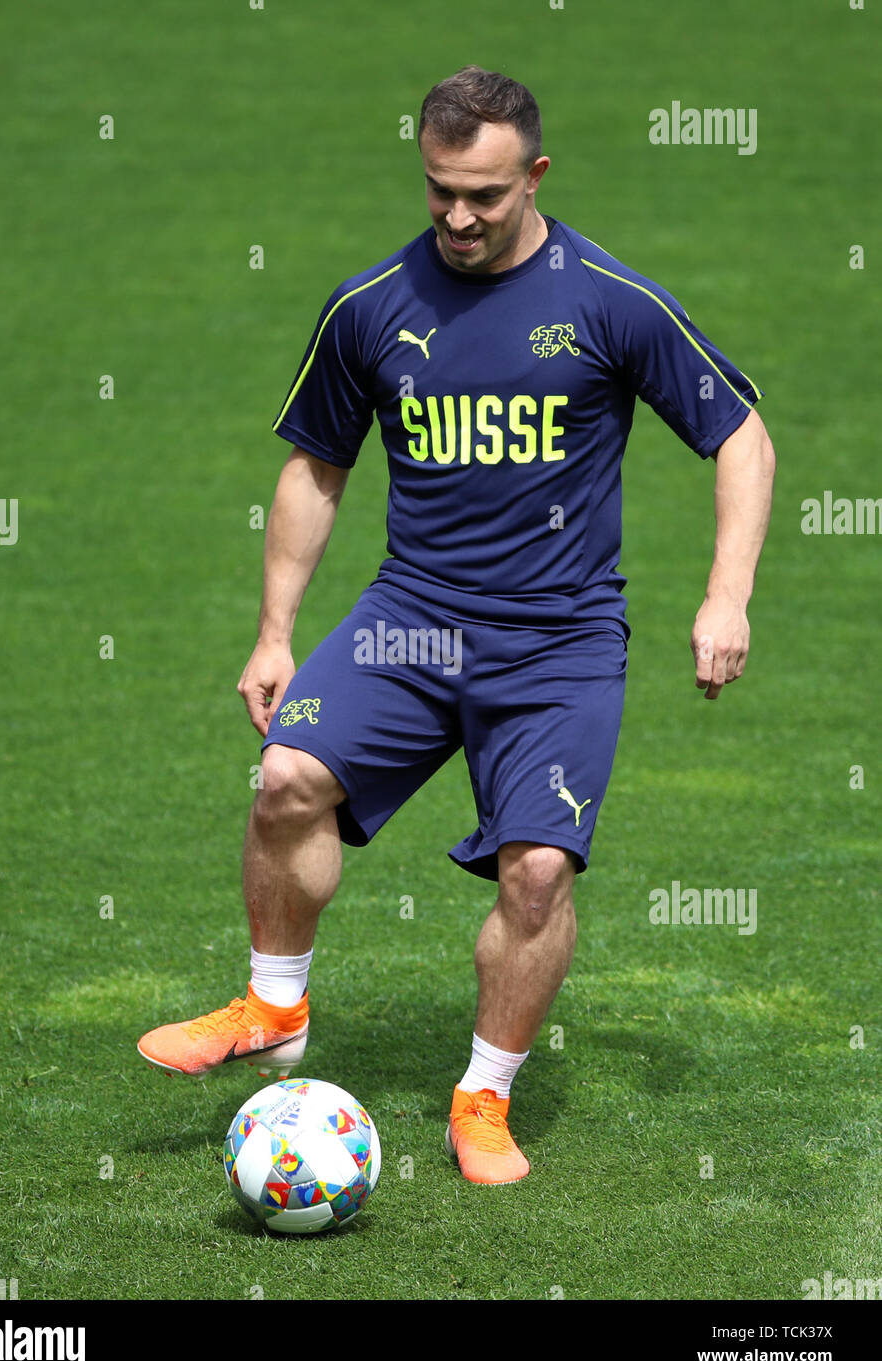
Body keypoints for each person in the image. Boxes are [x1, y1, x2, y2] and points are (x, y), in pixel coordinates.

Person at [138, 66, 776, 1185]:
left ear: (534, 175)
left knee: (536, 871)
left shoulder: (608, 299)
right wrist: (275, 630)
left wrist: (727, 592)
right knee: (286, 775)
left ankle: (482, 1095)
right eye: (440, 191)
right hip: (415, 620)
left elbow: (742, 435)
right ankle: (271, 1009)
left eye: (484, 193)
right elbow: (316, 468)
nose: (459, 217)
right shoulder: (372, 304)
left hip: (559, 641)